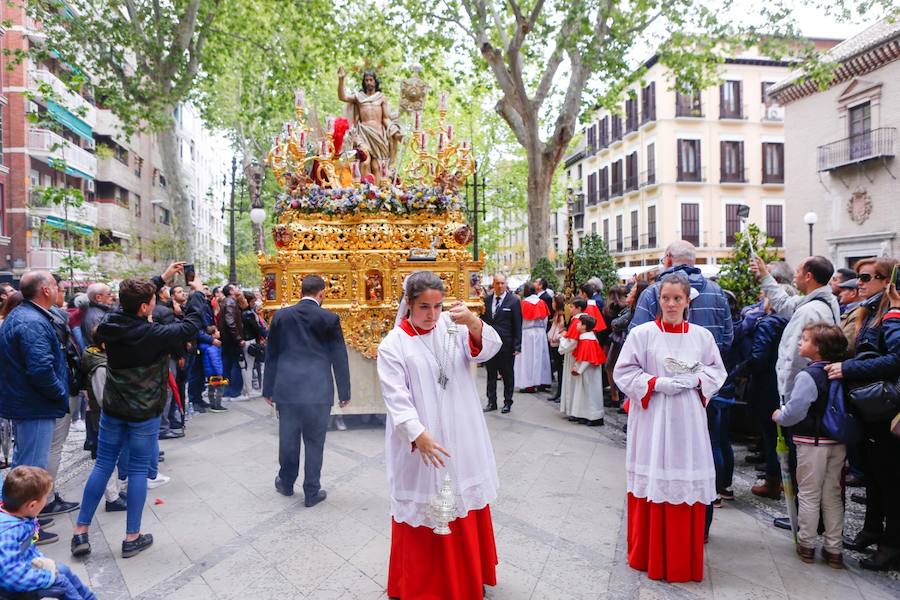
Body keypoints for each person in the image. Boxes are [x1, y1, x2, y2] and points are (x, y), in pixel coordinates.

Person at [376, 271, 502, 600]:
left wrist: (473, 323)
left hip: (461, 431)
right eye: (423, 307)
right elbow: (395, 398)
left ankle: (467, 578)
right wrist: (418, 434)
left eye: (437, 305)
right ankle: (423, 585)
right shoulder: (394, 345)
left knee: (462, 496)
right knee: (427, 504)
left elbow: (489, 349)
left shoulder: (451, 326)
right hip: (422, 444)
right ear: (408, 304)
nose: (432, 314)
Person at [70, 264, 207, 559]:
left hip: (114, 407)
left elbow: (127, 302)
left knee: (103, 465)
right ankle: (132, 536)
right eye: (154, 299)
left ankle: (80, 532)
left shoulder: (109, 324)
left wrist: (162, 278)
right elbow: (193, 322)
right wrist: (195, 288)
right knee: (135, 472)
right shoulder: (155, 334)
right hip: (144, 411)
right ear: (145, 306)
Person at [614, 272, 727, 582]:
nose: (672, 303)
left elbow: (718, 371)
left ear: (687, 300)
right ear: (658, 300)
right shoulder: (643, 334)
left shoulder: (702, 336)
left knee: (683, 478)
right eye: (666, 298)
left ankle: (681, 558)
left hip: (688, 420)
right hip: (653, 417)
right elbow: (623, 373)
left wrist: (698, 380)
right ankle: (647, 554)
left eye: (678, 298)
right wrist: (656, 382)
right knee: (653, 476)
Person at [824, 257, 900, 571]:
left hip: (886, 407)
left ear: (887, 280)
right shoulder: (868, 310)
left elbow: (896, 359)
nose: (861, 283)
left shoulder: (892, 314)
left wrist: (848, 368)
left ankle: (892, 544)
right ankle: (871, 530)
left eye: (867, 277)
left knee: (891, 478)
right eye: (858, 277)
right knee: (872, 474)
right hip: (868, 405)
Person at [263, 275, 350, 506]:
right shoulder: (329, 318)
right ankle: (312, 490)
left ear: (301, 291)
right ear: (321, 294)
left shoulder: (281, 316)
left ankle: (286, 482)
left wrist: (268, 389)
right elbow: (339, 357)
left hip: (288, 390)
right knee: (314, 441)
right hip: (318, 391)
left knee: (288, 438)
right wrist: (344, 393)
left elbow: (271, 354)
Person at [772, 322, 849, 568]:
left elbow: (795, 411)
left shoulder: (808, 375)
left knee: (808, 493)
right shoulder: (839, 371)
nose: (799, 343)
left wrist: (779, 416)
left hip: (811, 442)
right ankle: (834, 549)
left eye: (804, 339)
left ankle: (806, 544)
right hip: (837, 440)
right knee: (833, 495)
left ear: (818, 348)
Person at [0, 271, 69, 545]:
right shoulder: (30, 321)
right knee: (30, 470)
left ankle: (25, 522)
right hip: (34, 405)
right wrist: (59, 392)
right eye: (54, 285)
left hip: (30, 403)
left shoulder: (27, 316)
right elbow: (40, 369)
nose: (57, 288)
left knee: (26, 466)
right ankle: (21, 530)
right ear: (45, 290)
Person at [750, 255, 840, 400]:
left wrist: (787, 399)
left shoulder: (808, 312)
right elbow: (784, 303)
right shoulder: (828, 300)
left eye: (797, 272)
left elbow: (793, 359)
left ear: (808, 276)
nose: (794, 277)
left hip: (800, 396)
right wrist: (765, 275)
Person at [0, 466, 96, 599]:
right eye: (45, 499)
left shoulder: (18, 514)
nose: (46, 502)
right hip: (12, 586)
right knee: (62, 583)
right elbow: (11, 575)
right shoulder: (8, 533)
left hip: (26, 567)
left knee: (63, 570)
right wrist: (48, 577)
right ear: (32, 506)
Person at [630, 241, 733, 354]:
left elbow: (635, 340)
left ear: (668, 259)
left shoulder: (653, 292)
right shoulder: (717, 291)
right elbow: (727, 338)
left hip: (662, 369)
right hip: (706, 367)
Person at [740, 297, 790, 500]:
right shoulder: (788, 321)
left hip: (766, 384)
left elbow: (758, 356)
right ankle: (780, 481)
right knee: (780, 435)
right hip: (780, 382)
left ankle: (772, 482)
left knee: (772, 437)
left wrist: (743, 370)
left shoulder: (768, 323)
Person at [481, 274, 522, 414]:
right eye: (497, 283)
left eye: (502, 283)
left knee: (507, 374)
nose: (500, 286)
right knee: (491, 374)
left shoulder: (514, 301)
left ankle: (507, 402)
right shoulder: (486, 300)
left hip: (507, 345)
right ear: (493, 284)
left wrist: (517, 346)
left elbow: (518, 324)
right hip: (490, 344)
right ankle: (491, 401)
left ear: (506, 284)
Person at [563, 314, 605, 426]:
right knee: (584, 393)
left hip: (589, 371)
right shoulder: (586, 337)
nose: (577, 324)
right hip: (585, 371)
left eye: (579, 323)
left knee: (591, 393)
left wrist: (579, 369)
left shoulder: (588, 339)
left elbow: (588, 358)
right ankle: (585, 415)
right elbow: (583, 356)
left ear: (584, 326)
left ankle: (595, 417)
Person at [514, 283, 551, 393]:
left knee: (528, 359)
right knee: (541, 358)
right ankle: (542, 381)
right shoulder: (541, 302)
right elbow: (545, 320)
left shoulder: (524, 303)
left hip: (527, 333)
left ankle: (528, 384)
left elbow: (520, 321)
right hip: (540, 332)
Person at [559, 298, 588, 418]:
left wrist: (562, 338)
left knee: (572, 383)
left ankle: (573, 410)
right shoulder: (581, 319)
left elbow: (572, 342)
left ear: (579, 308)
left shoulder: (577, 321)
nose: (569, 309)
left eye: (571, 307)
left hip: (573, 355)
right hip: (577, 354)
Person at [217, 284, 245, 401]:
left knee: (227, 364)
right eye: (235, 288)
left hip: (227, 339)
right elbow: (230, 322)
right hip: (232, 340)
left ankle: (226, 390)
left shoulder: (225, 302)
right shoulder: (230, 303)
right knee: (234, 364)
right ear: (231, 291)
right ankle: (234, 391)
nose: (237, 289)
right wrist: (238, 338)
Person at [199, 325, 228, 413]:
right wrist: (220, 373)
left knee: (211, 388)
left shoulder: (206, 347)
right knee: (220, 388)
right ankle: (217, 405)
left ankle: (212, 404)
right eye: (217, 331)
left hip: (209, 372)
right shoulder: (212, 348)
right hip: (215, 372)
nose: (219, 332)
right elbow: (216, 361)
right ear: (212, 335)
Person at [547, 295, 567, 403]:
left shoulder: (562, 315)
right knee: (559, 370)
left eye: (553, 302)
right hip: (554, 343)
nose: (552, 304)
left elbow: (562, 329)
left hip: (558, 344)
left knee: (560, 370)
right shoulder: (557, 314)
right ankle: (558, 393)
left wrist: (556, 337)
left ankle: (560, 393)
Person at [80, 283, 113, 347]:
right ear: (98, 297)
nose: (111, 297)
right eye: (109, 294)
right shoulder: (95, 317)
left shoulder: (98, 311)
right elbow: (99, 343)